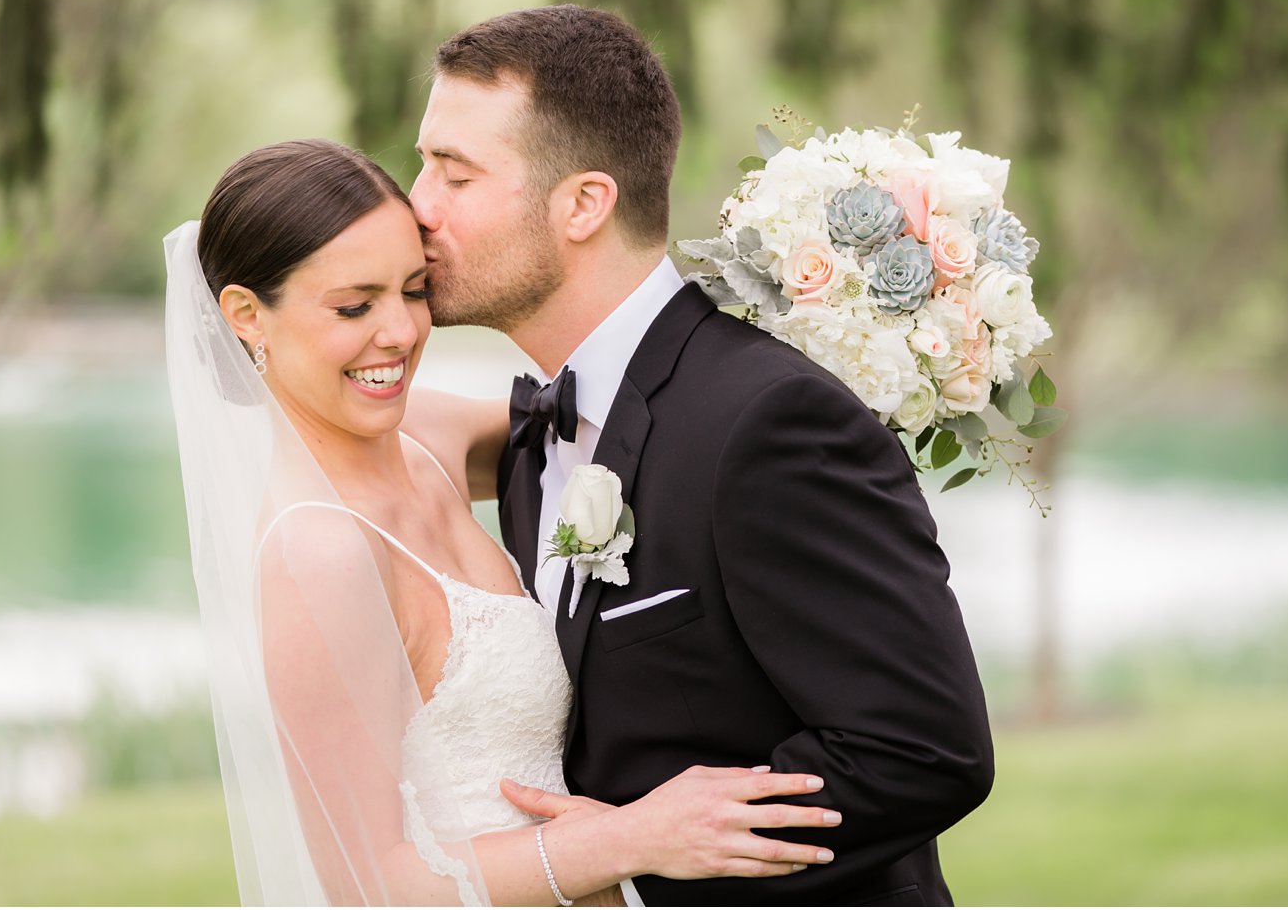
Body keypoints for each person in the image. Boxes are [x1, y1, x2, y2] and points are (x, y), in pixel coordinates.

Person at [406, 5, 994, 906]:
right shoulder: (537, 434)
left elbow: (921, 750)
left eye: (454, 175)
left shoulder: (769, 422)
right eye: (423, 167)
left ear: (584, 205)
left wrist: (637, 858)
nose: (417, 208)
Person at [165, 139, 843, 906]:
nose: (400, 333)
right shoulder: (318, 550)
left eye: (414, 291)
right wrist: (634, 837)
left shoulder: (424, 436)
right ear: (247, 315)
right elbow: (372, 887)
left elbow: (641, 423)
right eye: (355, 306)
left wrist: (837, 342)